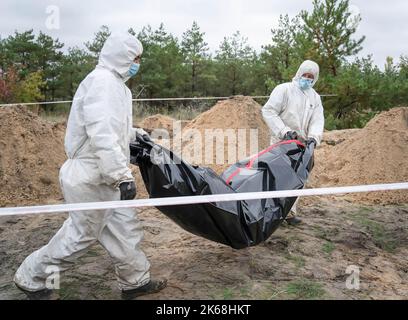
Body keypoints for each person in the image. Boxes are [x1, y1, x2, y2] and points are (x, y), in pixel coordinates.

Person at [14, 32, 167, 299]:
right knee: (80, 236)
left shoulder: (116, 85)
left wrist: (137, 135)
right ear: (121, 55)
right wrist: (121, 175)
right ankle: (31, 278)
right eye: (135, 58)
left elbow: (113, 128)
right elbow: (101, 134)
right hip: (91, 176)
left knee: (124, 229)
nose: (137, 63)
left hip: (103, 176)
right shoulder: (102, 83)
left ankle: (135, 281)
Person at [262, 60, 324, 226]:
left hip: (302, 144)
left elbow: (318, 120)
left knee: (297, 178)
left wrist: (314, 138)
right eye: (305, 75)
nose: (308, 79)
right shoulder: (284, 90)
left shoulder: (315, 98)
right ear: (299, 73)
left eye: (311, 77)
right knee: (277, 177)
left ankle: (289, 213)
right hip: (281, 142)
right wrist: (284, 131)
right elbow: (268, 111)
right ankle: (271, 213)